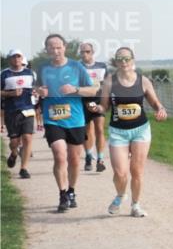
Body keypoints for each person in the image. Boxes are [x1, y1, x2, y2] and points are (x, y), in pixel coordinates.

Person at [96, 47, 167, 218]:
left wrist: (160, 110)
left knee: (137, 171)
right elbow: (104, 107)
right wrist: (96, 107)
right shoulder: (109, 81)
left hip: (140, 130)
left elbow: (155, 102)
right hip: (118, 131)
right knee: (120, 173)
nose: (124, 62)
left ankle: (135, 205)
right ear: (116, 62)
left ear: (133, 60)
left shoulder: (143, 81)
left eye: (127, 58)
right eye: (120, 59)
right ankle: (120, 195)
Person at [34, 34, 102, 212]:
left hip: (75, 119)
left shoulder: (76, 66)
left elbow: (94, 89)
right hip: (52, 118)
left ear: (65, 48)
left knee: (73, 159)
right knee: (59, 154)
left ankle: (71, 191)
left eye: (59, 47)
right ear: (46, 49)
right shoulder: (43, 68)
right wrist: (39, 91)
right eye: (51, 47)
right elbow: (37, 89)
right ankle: (62, 194)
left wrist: (76, 89)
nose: (55, 51)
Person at [2, 49, 37, 178]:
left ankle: (24, 168)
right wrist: (10, 93)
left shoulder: (30, 73)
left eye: (19, 56)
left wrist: (36, 92)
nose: (17, 59)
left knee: (27, 138)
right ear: (10, 59)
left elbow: (35, 88)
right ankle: (14, 153)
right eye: (14, 57)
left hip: (28, 110)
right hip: (11, 111)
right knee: (14, 142)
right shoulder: (4, 74)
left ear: (22, 58)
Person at [79, 42, 108, 172]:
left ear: (93, 52)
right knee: (87, 131)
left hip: (98, 101)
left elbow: (107, 85)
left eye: (87, 52)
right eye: (82, 52)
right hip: (83, 102)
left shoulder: (102, 66)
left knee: (100, 129)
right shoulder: (77, 67)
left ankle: (100, 159)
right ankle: (89, 156)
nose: (85, 54)